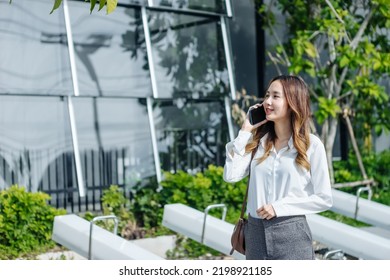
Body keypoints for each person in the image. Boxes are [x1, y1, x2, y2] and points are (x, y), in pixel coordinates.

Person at [223, 75, 333, 260]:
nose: (267, 101)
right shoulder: (258, 143)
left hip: (291, 233)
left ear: (293, 101)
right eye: (267, 95)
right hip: (255, 233)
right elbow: (231, 175)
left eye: (275, 96)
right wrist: (245, 131)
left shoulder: (311, 145)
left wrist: (279, 207)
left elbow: (324, 198)